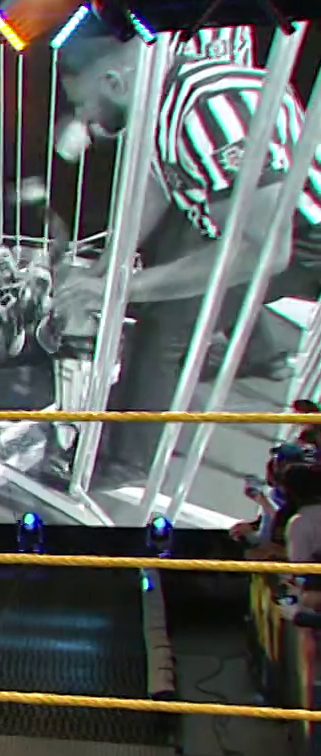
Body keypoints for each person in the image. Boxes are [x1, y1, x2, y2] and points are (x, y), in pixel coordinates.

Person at [53, 26, 321, 481]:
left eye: (84, 103)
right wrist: (108, 265)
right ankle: (262, 352)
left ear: (114, 83)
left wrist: (123, 288)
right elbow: (160, 183)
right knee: (169, 288)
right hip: (258, 230)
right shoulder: (160, 98)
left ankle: (125, 461)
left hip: (304, 240)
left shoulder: (209, 109)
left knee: (166, 321)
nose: (84, 117)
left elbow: (263, 251)